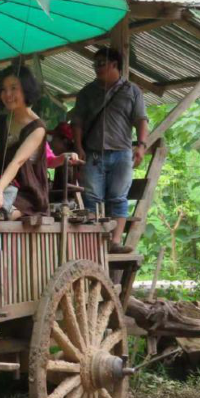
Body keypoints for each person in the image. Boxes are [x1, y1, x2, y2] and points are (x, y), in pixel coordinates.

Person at [70, 46, 149, 251]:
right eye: (95, 64)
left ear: (115, 65)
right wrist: (78, 147)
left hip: (122, 153)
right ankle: (93, 244)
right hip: (92, 152)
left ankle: (114, 243)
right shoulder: (87, 92)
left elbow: (141, 120)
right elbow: (76, 122)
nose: (97, 68)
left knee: (118, 197)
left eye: (101, 64)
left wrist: (141, 146)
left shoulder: (132, 91)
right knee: (91, 198)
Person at [0, 65, 50, 219]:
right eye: (3, 89)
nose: (7, 94)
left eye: (13, 88)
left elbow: (17, 161)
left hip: (27, 193)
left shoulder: (37, 128)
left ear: (26, 89)